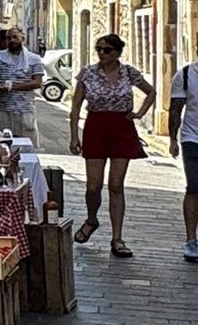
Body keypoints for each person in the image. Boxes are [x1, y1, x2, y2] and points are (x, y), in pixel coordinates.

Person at [68, 33, 155, 260]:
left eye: (107, 49)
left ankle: (117, 238)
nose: (102, 53)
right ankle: (91, 218)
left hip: (121, 128)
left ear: (117, 52)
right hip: (96, 127)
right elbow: (76, 105)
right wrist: (74, 136)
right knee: (93, 186)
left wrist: (140, 113)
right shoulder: (87, 74)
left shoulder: (128, 72)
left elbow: (151, 91)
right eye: (99, 49)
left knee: (116, 184)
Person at [0, 26, 45, 147]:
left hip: (24, 110)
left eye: (15, 37)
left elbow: (37, 82)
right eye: (9, 38)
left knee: (26, 147)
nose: (12, 40)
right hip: (2, 110)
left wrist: (11, 87)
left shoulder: (34, 59)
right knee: (1, 146)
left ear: (22, 38)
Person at [168, 55, 198, 262]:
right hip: (192, 138)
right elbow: (176, 108)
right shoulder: (186, 75)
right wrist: (172, 139)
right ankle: (191, 240)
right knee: (194, 186)